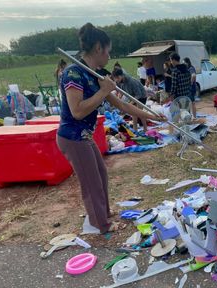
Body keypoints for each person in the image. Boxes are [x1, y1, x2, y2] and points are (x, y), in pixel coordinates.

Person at [57, 22, 165, 234]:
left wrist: (152, 115)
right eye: (108, 51)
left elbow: (123, 105)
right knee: (91, 182)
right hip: (72, 137)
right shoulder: (74, 74)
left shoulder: (94, 75)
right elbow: (77, 111)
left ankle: (103, 213)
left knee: (100, 173)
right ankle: (101, 224)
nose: (109, 56)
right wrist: (103, 91)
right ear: (98, 48)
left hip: (84, 136)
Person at [112, 68, 149, 132]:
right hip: (132, 96)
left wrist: (130, 103)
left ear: (121, 76)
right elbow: (121, 92)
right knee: (133, 113)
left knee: (139, 113)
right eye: (115, 78)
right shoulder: (120, 82)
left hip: (141, 96)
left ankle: (145, 128)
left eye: (117, 78)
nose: (116, 80)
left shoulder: (131, 81)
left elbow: (139, 94)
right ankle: (135, 130)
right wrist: (118, 100)